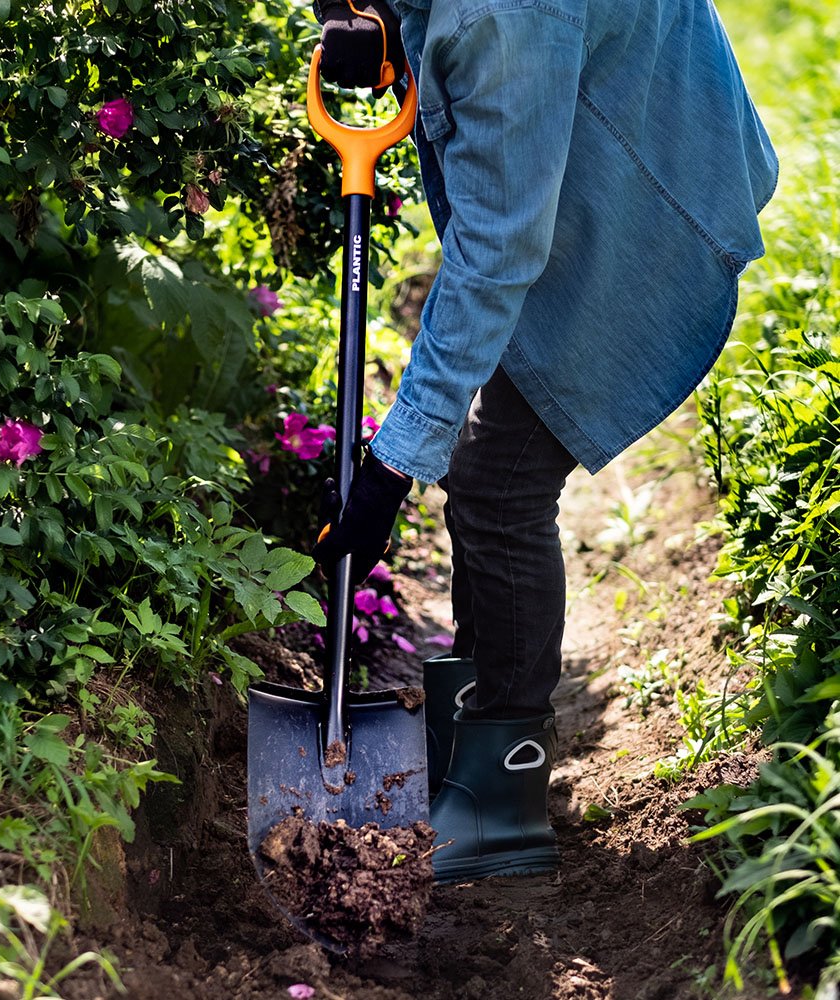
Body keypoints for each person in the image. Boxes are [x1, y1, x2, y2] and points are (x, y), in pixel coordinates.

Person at [311, 0, 777, 883]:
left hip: (655, 196)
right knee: (486, 465)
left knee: (497, 482)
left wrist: (390, 468)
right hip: (614, 139)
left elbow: (497, 249)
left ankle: (503, 795)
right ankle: (473, 718)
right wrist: (388, 27)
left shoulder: (499, 14)